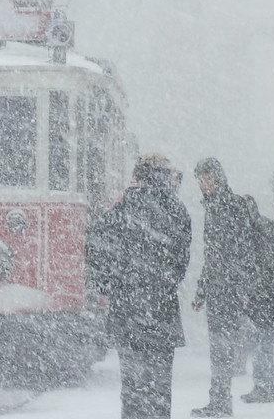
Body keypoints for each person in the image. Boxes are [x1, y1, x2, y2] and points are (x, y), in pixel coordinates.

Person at [88, 153, 192, 419]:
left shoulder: (122, 209)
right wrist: (161, 285)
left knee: (133, 388)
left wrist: (110, 285)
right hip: (162, 314)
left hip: (128, 314)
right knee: (159, 388)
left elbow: (95, 248)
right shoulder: (176, 210)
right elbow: (181, 261)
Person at [190, 158, 251, 418]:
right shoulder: (215, 207)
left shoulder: (230, 206)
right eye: (201, 181)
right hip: (219, 288)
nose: (204, 185)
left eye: (209, 180)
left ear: (219, 179)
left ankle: (221, 402)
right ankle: (219, 400)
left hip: (228, 290)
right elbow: (212, 256)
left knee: (223, 347)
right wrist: (202, 291)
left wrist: (240, 286)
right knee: (219, 348)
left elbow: (240, 250)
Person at [237, 194, 274, 403]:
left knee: (260, 344)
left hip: (260, 297)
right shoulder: (266, 227)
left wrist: (250, 289)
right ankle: (264, 386)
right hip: (265, 296)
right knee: (260, 343)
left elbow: (258, 265)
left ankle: (265, 388)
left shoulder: (254, 232)